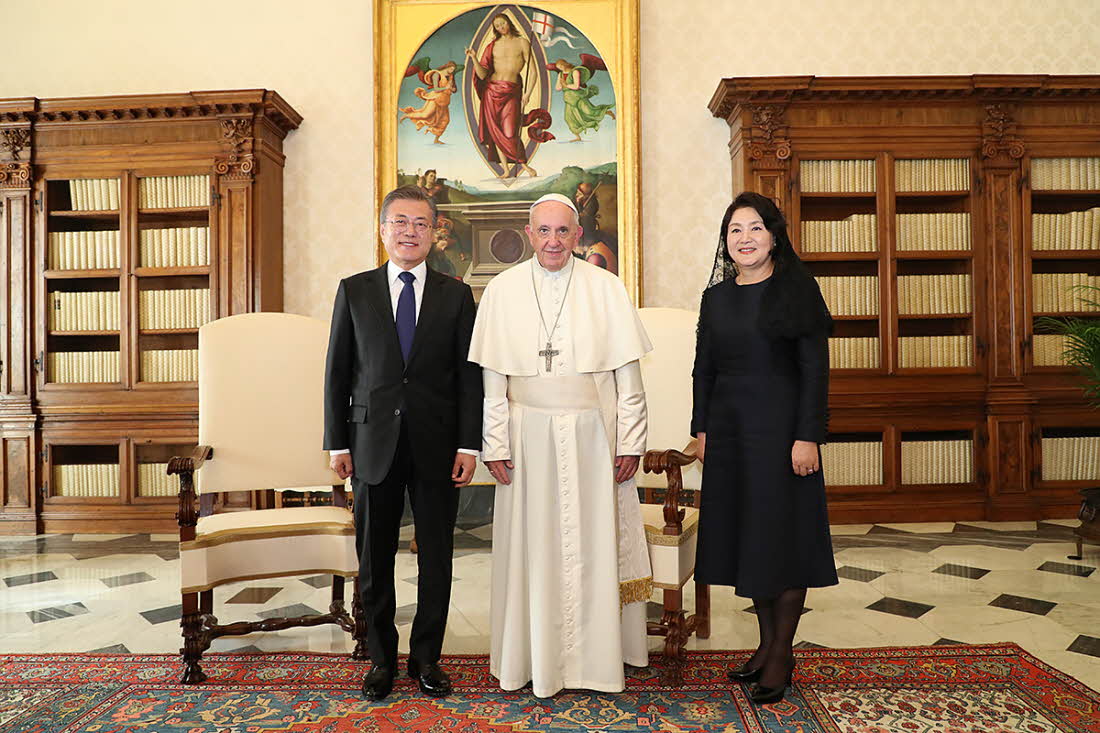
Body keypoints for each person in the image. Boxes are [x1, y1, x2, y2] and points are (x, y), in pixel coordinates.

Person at [468, 193, 653, 698]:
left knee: (593, 543)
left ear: (577, 235)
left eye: (563, 232)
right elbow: (493, 379)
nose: (553, 241)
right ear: (530, 234)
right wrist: (495, 443)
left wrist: (631, 443)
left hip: (595, 433)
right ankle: (531, 657)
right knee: (534, 544)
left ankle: (595, 661)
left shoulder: (606, 287)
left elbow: (629, 379)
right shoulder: (502, 291)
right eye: (543, 231)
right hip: (526, 434)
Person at [323, 185, 483, 701]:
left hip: (438, 445)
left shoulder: (456, 294)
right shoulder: (355, 290)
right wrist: (336, 443)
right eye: (400, 221)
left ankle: (427, 658)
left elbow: (468, 378)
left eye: (420, 223)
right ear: (383, 229)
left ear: (434, 232)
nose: (410, 231)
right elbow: (338, 373)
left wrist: (469, 444)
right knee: (375, 559)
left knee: (437, 556)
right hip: (371, 442)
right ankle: (381, 660)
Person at [692, 191, 838, 705]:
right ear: (726, 242)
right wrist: (702, 429)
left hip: (783, 433)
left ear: (773, 235)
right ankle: (763, 643)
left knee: (785, 539)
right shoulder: (717, 298)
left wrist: (808, 436)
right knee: (750, 538)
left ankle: (781, 652)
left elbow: (814, 372)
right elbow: (703, 368)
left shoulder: (798, 288)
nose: (745, 238)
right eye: (735, 230)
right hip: (730, 432)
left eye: (755, 228)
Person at [466, 14, 544, 177]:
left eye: (503, 23)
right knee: (495, 131)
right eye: (497, 25)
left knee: (510, 131)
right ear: (495, 29)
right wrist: (474, 58)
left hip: (512, 91)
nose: (501, 27)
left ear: (509, 23)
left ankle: (524, 166)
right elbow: (481, 75)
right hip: (491, 91)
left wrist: (528, 93)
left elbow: (534, 72)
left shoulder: (522, 42)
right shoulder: (492, 46)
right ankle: (506, 170)